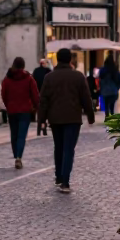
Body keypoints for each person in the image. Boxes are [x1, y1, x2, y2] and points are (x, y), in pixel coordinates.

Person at [38, 48, 96, 192]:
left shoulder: (49, 77)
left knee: (58, 147)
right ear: (70, 60)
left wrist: (42, 119)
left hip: (55, 118)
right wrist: (90, 115)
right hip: (73, 118)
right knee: (68, 149)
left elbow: (44, 100)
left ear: (57, 59)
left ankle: (59, 175)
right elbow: (86, 98)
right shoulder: (78, 76)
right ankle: (65, 181)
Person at [1, 56, 40, 169]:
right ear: (23, 66)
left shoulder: (7, 79)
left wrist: (8, 105)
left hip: (12, 111)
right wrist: (36, 106)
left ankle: (15, 154)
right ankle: (19, 156)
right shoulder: (29, 78)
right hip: (25, 111)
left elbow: (3, 95)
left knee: (14, 134)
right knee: (22, 135)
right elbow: (35, 94)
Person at [32, 58, 52, 136]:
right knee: (46, 112)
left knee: (40, 113)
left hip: (38, 94)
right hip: (47, 95)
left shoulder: (36, 71)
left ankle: (39, 129)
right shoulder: (48, 71)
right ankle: (44, 128)